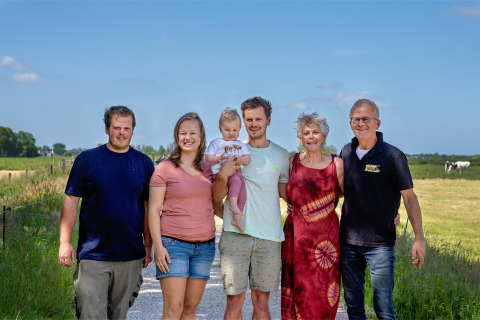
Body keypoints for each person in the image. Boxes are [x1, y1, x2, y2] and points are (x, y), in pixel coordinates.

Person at [58, 106, 155, 320]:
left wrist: (148, 246)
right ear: (106, 128)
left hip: (130, 254)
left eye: (126, 128)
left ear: (132, 130)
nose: (121, 132)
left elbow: (150, 209)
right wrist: (64, 242)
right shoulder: (87, 160)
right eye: (116, 127)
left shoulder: (144, 163)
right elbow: (71, 201)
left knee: (118, 315)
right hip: (93, 254)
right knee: (91, 315)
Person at [339, 99, 426, 320]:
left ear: (377, 122)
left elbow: (409, 198)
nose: (361, 123)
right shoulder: (346, 152)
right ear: (350, 123)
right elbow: (338, 190)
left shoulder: (392, 156)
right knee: (354, 307)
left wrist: (419, 238)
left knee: (383, 308)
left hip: (380, 244)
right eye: (356, 119)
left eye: (366, 119)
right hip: (348, 242)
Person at [213, 96, 289, 320]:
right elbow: (216, 197)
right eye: (248, 119)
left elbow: (287, 194)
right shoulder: (232, 150)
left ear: (269, 120)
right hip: (236, 235)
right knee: (234, 302)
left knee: (262, 304)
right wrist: (223, 175)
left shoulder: (282, 155)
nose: (253, 123)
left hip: (269, 238)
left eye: (258, 119)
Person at [148, 112, 217, 320]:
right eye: (183, 133)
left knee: (190, 310)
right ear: (177, 136)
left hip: (205, 248)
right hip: (173, 246)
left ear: (201, 136)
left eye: (193, 133)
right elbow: (153, 210)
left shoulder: (209, 169)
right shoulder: (165, 168)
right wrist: (158, 247)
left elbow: (218, 202)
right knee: (173, 310)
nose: (188, 137)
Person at [281, 113, 344, 320]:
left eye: (315, 132)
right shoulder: (292, 163)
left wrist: (390, 213)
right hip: (297, 240)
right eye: (305, 133)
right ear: (300, 139)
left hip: (327, 243)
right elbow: (281, 187)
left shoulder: (337, 164)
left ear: (324, 136)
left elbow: (352, 195)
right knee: (299, 291)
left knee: (324, 294)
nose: (311, 136)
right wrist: (293, 207)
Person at [205, 107, 251, 232]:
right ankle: (233, 205)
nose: (231, 133)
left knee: (243, 193)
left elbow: (248, 158)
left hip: (237, 171)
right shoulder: (217, 143)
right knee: (235, 182)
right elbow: (208, 157)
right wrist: (217, 158)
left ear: (240, 129)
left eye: (235, 130)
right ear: (220, 129)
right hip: (222, 171)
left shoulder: (240, 144)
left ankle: (236, 219)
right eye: (227, 130)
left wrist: (242, 160)